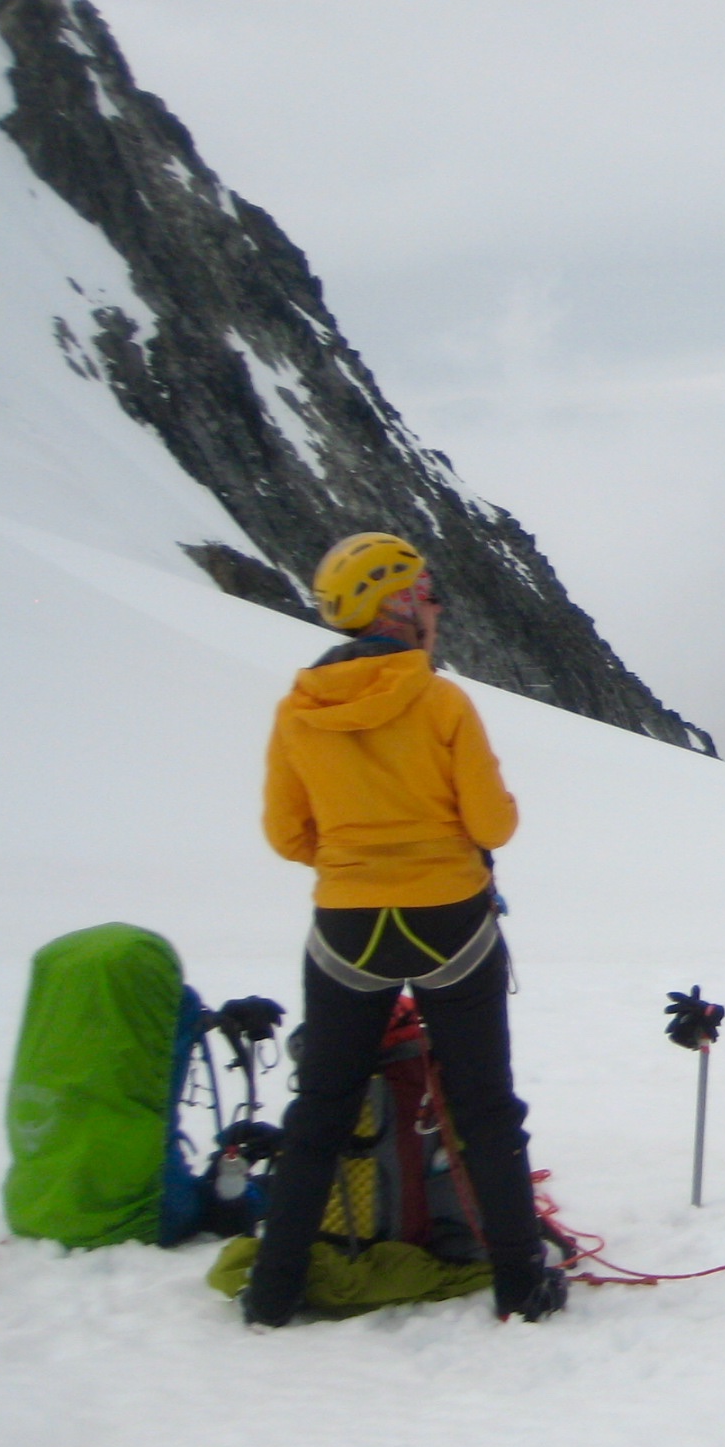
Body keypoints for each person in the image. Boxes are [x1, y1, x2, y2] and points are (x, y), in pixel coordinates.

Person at [242, 532, 567, 1327]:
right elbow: (493, 821)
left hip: (346, 928)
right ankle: (521, 1282)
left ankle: (273, 1290)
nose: (434, 604)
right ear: (394, 603)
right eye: (424, 591)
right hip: (452, 923)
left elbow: (287, 836)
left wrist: (354, 860)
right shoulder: (442, 702)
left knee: (320, 1107)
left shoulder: (299, 711)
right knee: (483, 1105)